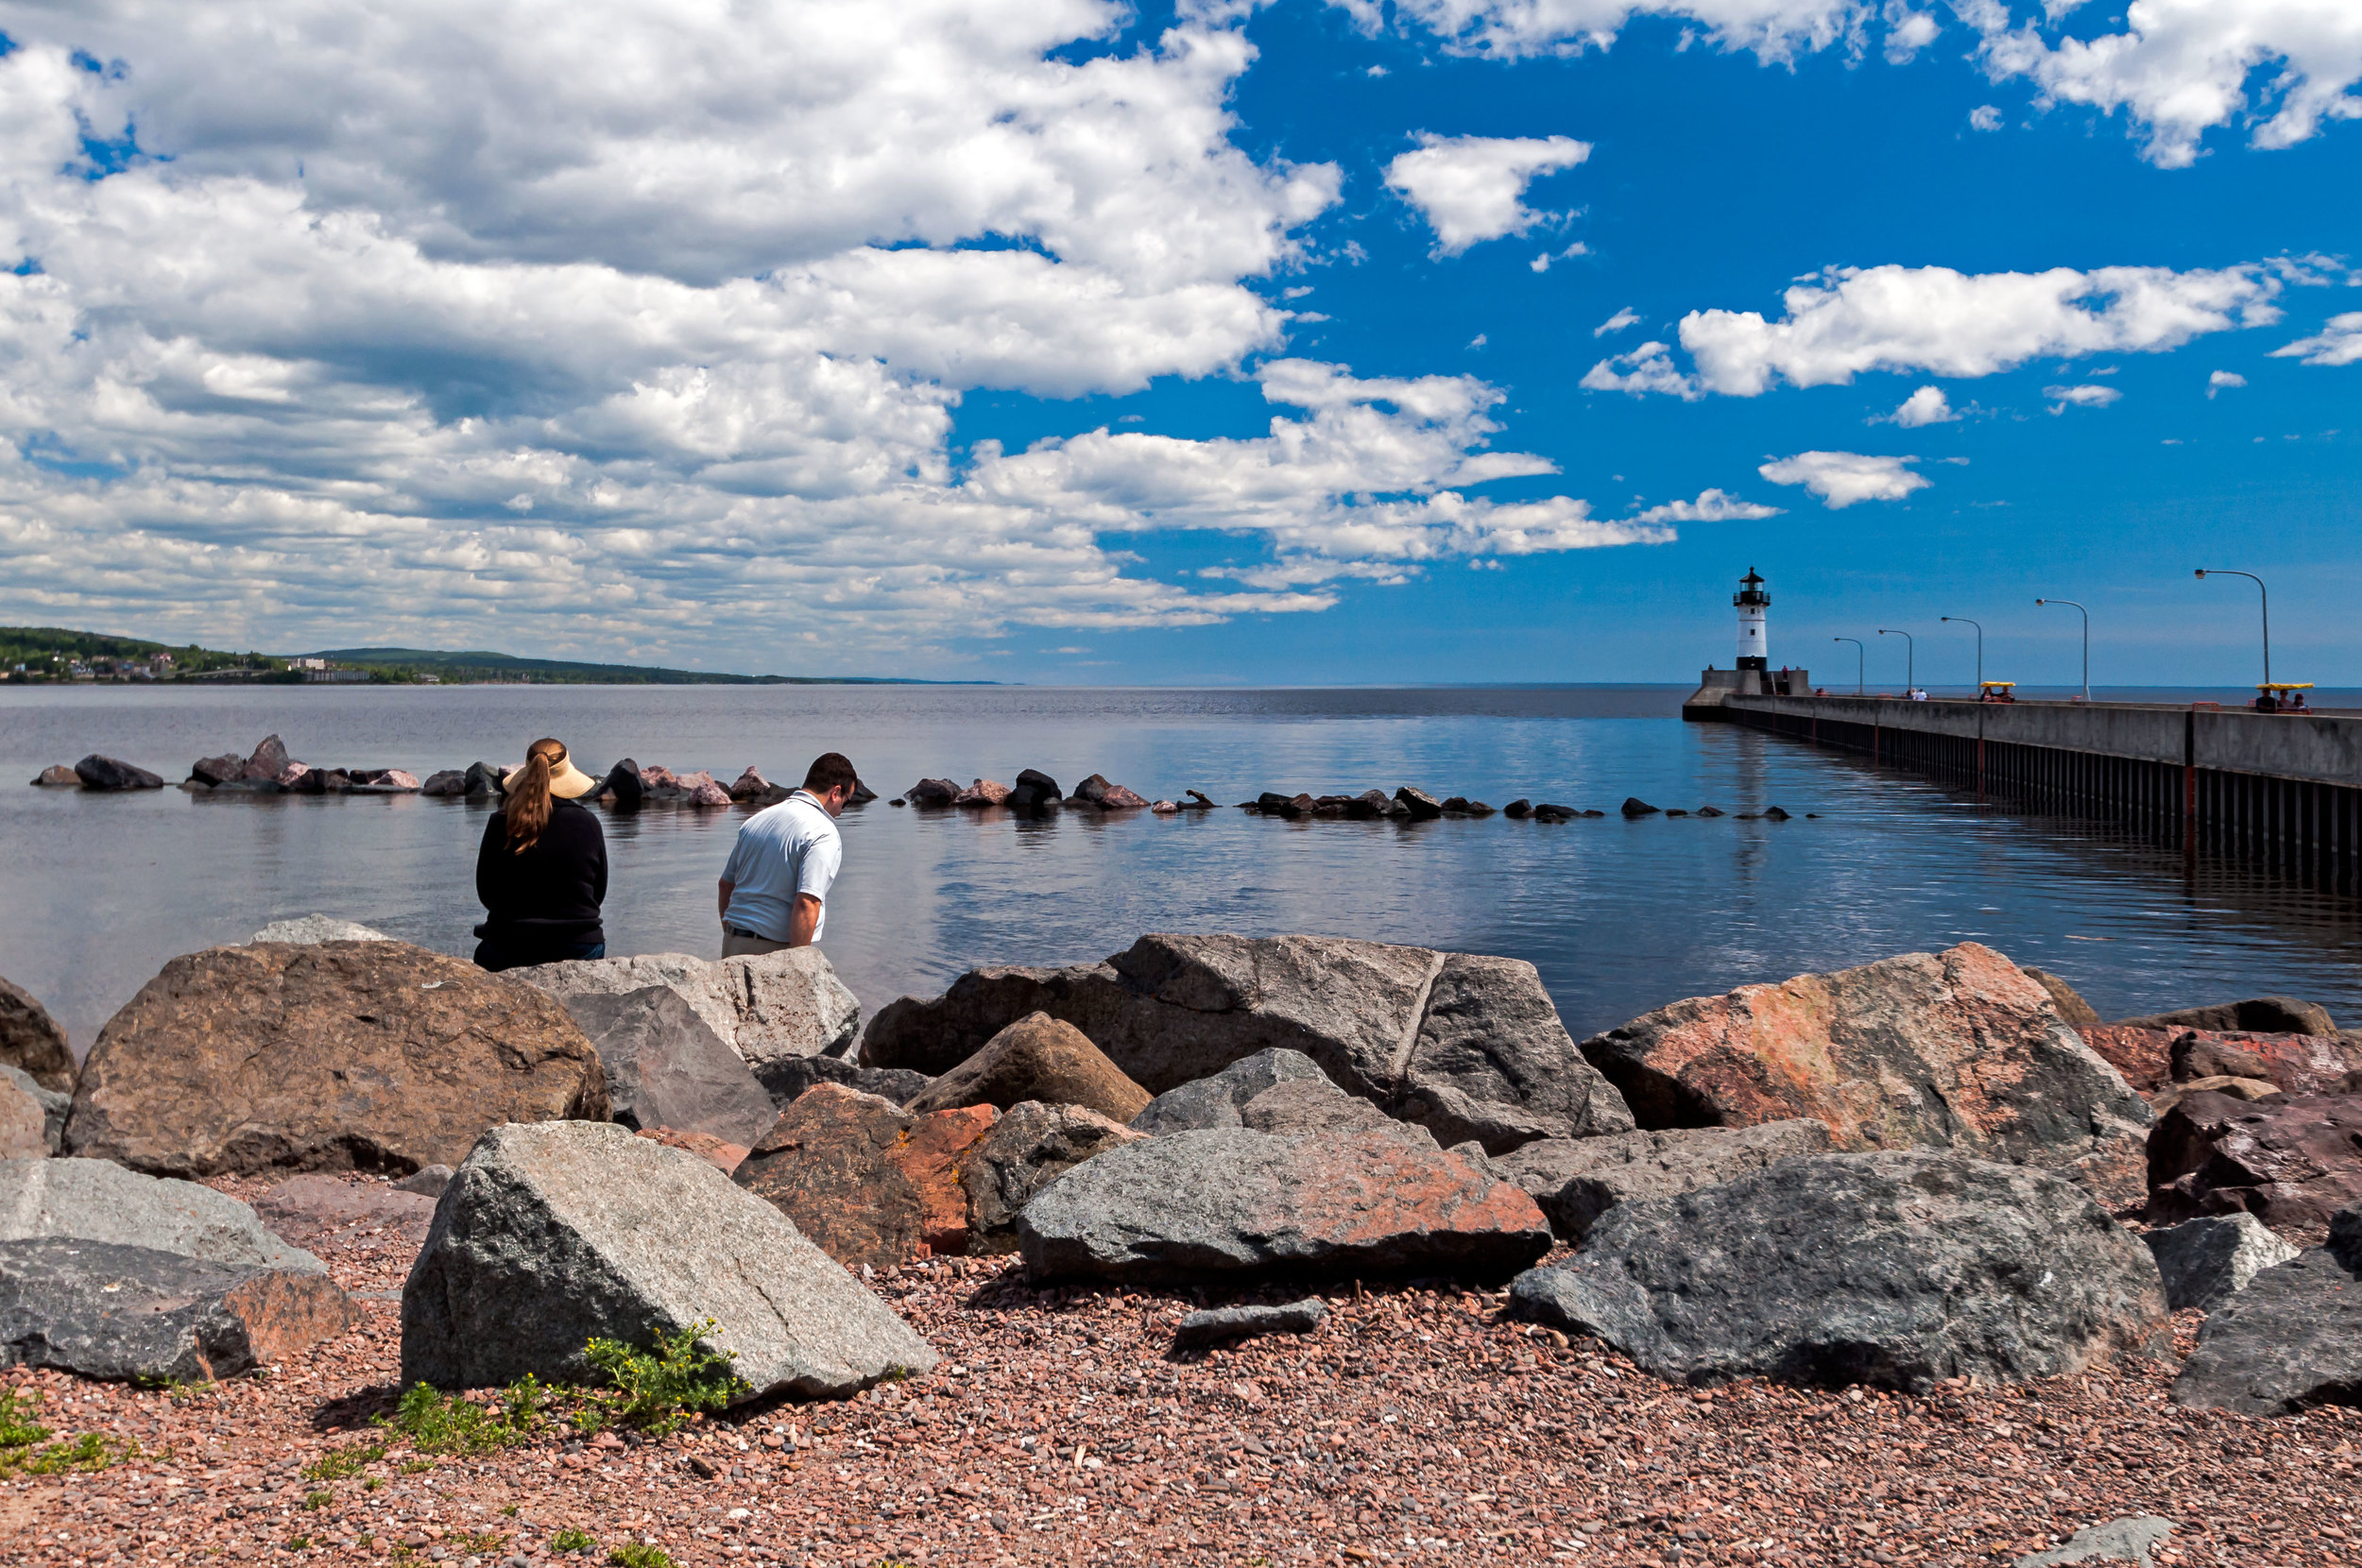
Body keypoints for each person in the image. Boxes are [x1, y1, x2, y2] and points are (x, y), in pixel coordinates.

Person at [473, 738, 608, 971]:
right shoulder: (588, 823)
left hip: (509, 945)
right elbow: (598, 893)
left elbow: (486, 894)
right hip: (578, 946)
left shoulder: (499, 823)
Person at [716, 752, 856, 955]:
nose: (842, 811)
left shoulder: (757, 820)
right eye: (847, 802)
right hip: (774, 951)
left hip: (732, 942)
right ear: (835, 792)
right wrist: (797, 966)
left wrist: (733, 935)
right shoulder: (823, 832)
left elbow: (726, 885)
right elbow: (807, 902)